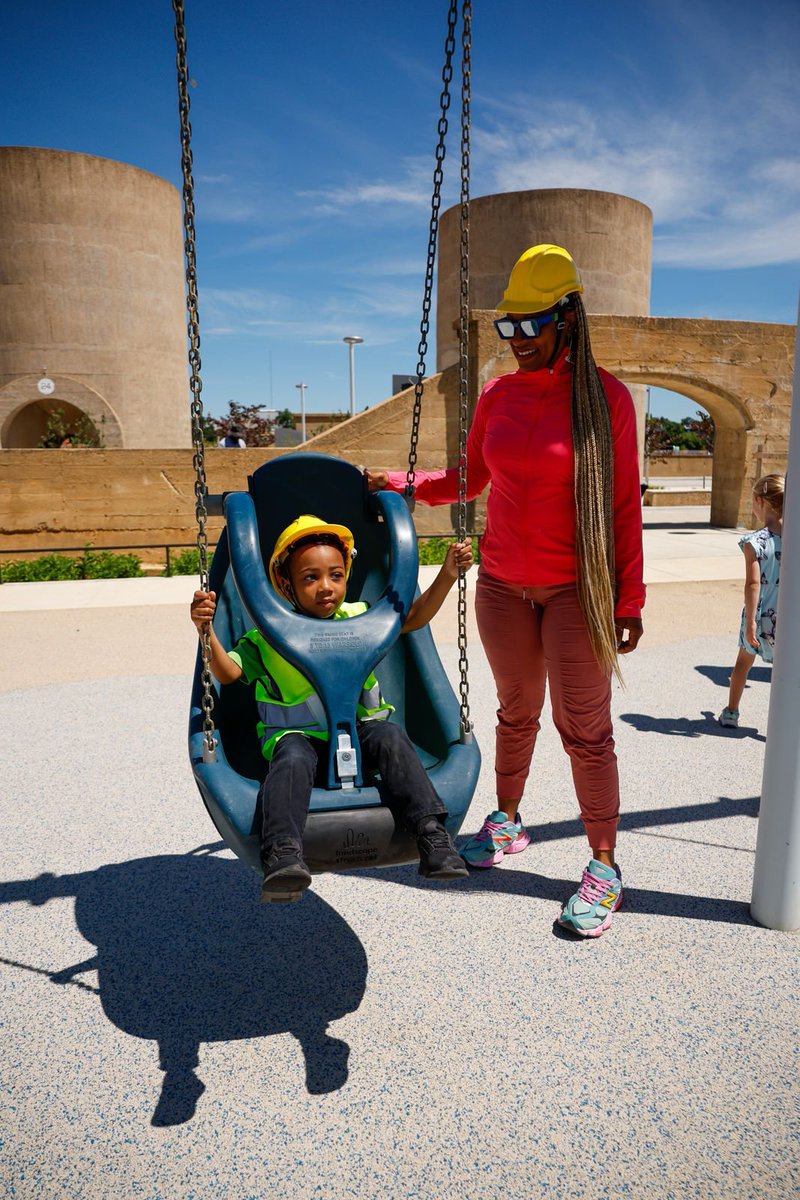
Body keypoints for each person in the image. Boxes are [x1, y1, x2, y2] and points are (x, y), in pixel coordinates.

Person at [366, 243, 645, 938]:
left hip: (577, 593)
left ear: (568, 318)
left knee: (584, 731)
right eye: (508, 327)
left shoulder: (606, 400)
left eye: (532, 325)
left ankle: (604, 865)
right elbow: (469, 478)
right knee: (515, 713)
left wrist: (629, 600)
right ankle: (507, 820)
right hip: (501, 588)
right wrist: (397, 482)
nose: (518, 340)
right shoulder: (497, 395)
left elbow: (623, 510)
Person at [190, 514, 473, 902]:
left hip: (361, 733)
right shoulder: (268, 633)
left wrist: (447, 575)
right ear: (286, 583)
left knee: (390, 737)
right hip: (298, 738)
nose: (326, 588)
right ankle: (283, 853)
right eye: (310, 578)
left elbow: (415, 617)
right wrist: (206, 633)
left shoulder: (362, 617)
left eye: (335, 576)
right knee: (290, 760)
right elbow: (226, 673)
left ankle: (432, 836)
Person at [719, 474, 784, 729]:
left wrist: (750, 623)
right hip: (785, 615)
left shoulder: (755, 542)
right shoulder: (793, 539)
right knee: (786, 670)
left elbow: (753, 584)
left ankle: (731, 712)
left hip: (758, 616)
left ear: (759, 501)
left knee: (742, 665)